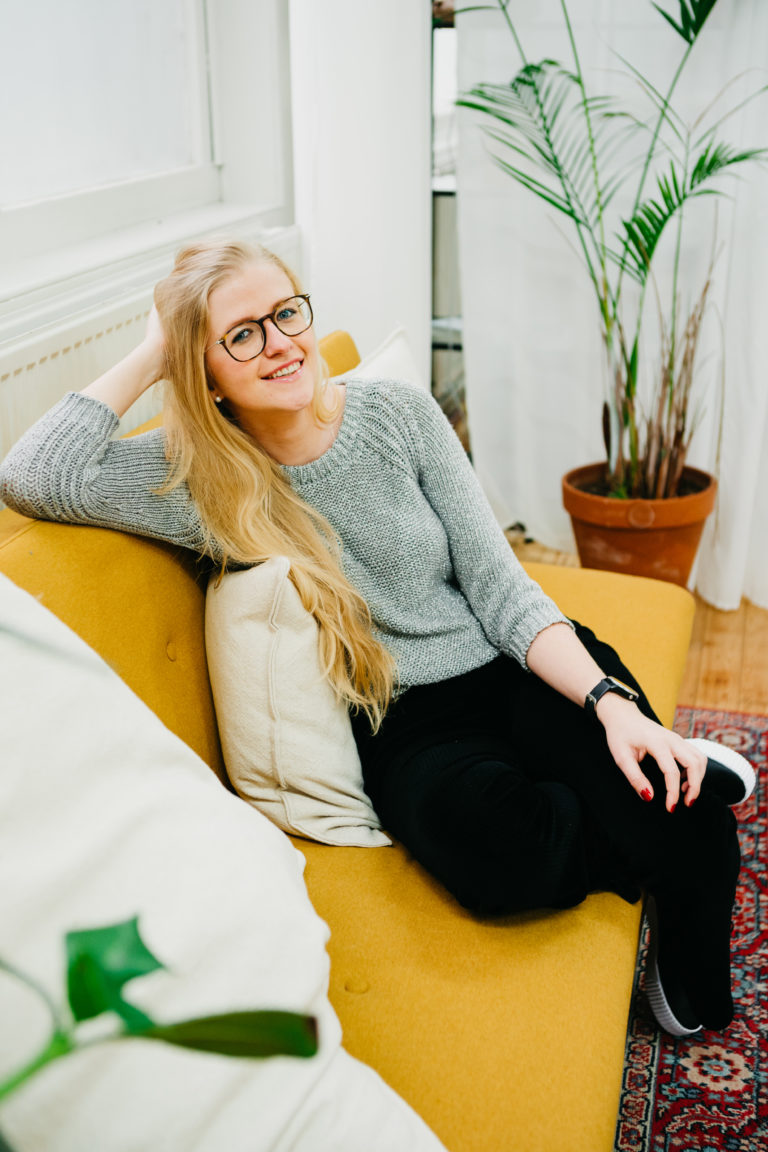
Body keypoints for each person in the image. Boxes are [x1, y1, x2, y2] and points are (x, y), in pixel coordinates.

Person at [0, 238, 754, 1038]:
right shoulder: (198, 482)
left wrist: (608, 705)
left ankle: (652, 803)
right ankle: (631, 807)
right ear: (205, 370)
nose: (282, 342)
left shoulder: (399, 414)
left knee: (697, 820)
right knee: (502, 859)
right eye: (243, 334)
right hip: (404, 720)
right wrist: (157, 349)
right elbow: (34, 475)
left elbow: (502, 590)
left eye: (286, 312)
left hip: (511, 660)